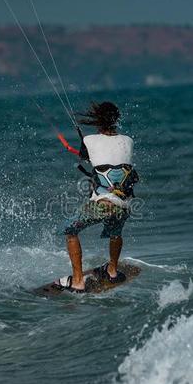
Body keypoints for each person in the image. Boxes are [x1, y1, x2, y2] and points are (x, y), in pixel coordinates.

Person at [57, 101, 138, 293]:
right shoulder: (128, 140)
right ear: (116, 119)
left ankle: (77, 281)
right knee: (115, 232)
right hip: (124, 206)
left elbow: (86, 157)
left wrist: (86, 144)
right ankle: (111, 270)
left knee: (70, 231)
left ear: (97, 121)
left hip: (103, 203)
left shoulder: (89, 140)